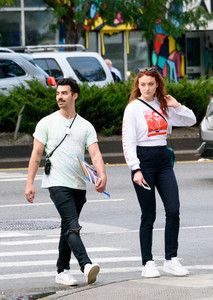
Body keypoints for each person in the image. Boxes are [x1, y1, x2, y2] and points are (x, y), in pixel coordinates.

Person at [25, 77, 107, 286]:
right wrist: (30, 183)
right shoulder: (47, 122)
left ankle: (62, 270)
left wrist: (102, 175)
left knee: (67, 228)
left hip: (78, 184)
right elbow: (36, 155)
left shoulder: (85, 126)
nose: (59, 97)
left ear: (74, 96)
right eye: (57, 93)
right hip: (57, 183)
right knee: (73, 226)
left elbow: (95, 154)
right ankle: (86, 264)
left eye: (64, 93)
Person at [122, 68, 196, 278]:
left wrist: (176, 105)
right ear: (138, 86)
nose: (146, 88)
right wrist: (135, 169)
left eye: (150, 84)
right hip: (143, 161)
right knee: (149, 214)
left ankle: (171, 260)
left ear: (157, 85)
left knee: (173, 210)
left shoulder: (164, 105)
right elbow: (128, 141)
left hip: (163, 160)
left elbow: (190, 119)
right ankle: (148, 262)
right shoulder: (133, 109)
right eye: (143, 84)